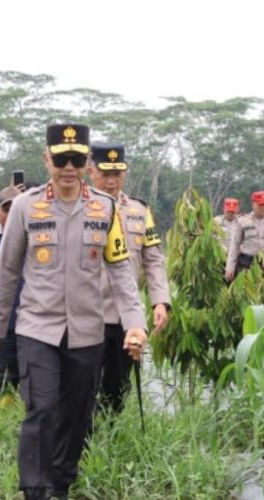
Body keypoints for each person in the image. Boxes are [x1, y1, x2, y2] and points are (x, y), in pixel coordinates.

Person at [0, 123, 146, 500]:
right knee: (42, 409)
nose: (69, 167)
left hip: (87, 330)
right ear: (47, 160)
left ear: (87, 162)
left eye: (77, 160)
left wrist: (134, 324)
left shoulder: (105, 209)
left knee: (77, 415)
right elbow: (7, 272)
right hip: (38, 327)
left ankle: (61, 491)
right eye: (61, 159)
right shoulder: (25, 208)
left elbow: (121, 271)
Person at [87, 143, 171, 415]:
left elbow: (154, 259)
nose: (111, 181)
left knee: (118, 385)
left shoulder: (139, 211)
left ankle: (110, 437)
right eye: (105, 173)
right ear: (91, 171)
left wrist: (160, 302)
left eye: (118, 173)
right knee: (83, 384)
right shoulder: (80, 207)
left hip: (125, 317)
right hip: (86, 313)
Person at [0, 185, 24, 399]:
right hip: (3, 325)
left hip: (31, 323)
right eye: (6, 209)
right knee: (6, 378)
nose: (10, 214)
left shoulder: (35, 239)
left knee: (34, 377)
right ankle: (7, 422)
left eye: (15, 209)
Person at [226, 190, 264, 281]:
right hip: (246, 263)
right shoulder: (242, 221)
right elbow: (235, 245)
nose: (263, 207)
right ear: (253, 204)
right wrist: (230, 266)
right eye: (260, 205)